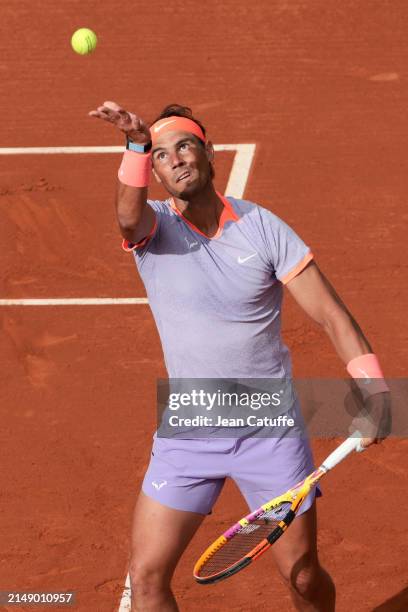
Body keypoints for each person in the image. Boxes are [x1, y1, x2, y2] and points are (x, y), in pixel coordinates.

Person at [89, 101, 391, 612]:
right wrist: (135, 144)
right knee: (145, 578)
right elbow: (125, 214)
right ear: (154, 171)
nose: (176, 160)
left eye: (183, 146)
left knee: (301, 577)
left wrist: (376, 388)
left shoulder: (263, 227)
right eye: (161, 156)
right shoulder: (151, 230)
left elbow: (332, 316)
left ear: (209, 153)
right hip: (190, 429)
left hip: (268, 430)